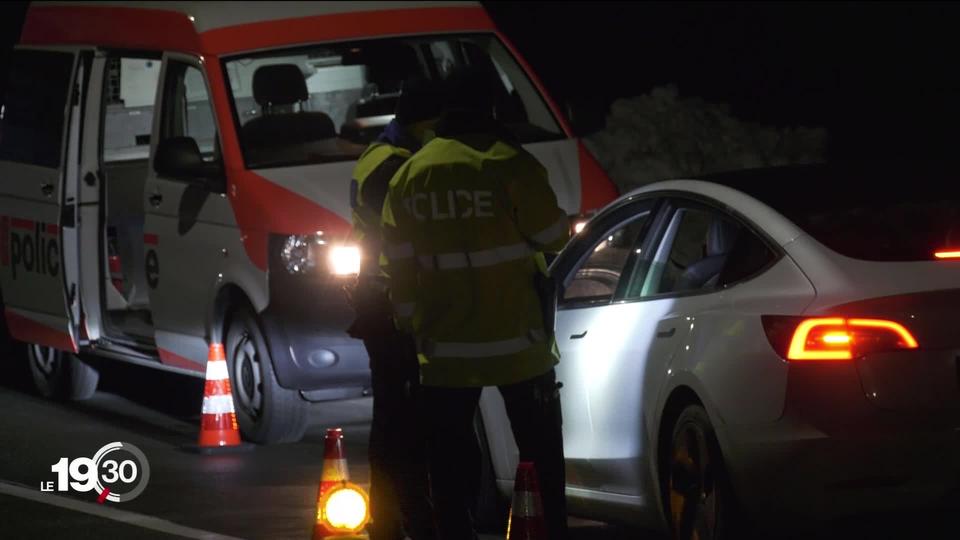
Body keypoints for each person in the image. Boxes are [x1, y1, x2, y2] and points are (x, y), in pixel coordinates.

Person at [380, 67, 570, 540]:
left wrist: (408, 322)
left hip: (444, 349)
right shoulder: (510, 163)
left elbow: (397, 263)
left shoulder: (411, 174)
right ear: (490, 107)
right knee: (540, 457)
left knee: (448, 466)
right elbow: (552, 235)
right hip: (518, 344)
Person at [346, 77, 444, 540]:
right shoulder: (394, 166)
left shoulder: (384, 155)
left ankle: (394, 518)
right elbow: (413, 234)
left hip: (380, 298)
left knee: (395, 417)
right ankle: (400, 518)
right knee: (400, 419)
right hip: (390, 302)